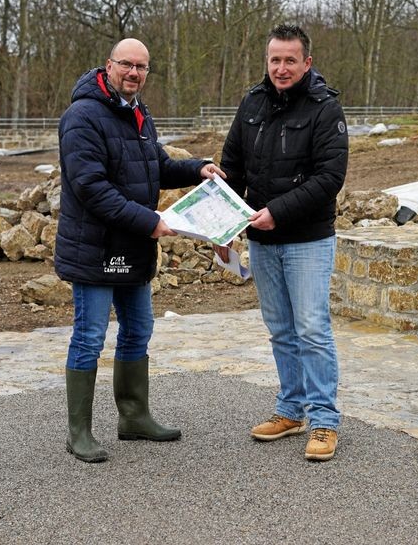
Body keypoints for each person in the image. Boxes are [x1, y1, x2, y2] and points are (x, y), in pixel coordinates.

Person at [55, 38, 225, 463]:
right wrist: (150, 221)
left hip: (133, 247)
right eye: (127, 65)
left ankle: (134, 417)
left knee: (138, 331)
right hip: (95, 250)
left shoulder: (138, 112)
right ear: (108, 65)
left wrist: (197, 168)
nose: (134, 73)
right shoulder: (82, 117)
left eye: (142, 68)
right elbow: (91, 188)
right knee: (90, 337)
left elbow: (156, 166)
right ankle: (80, 432)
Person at [217, 24, 348, 461]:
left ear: (307, 62)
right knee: (281, 331)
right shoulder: (252, 102)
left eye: (290, 59)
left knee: (312, 329)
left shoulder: (325, 109)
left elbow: (329, 178)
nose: (281, 67)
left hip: (307, 239)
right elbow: (231, 169)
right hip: (262, 239)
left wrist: (279, 211)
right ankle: (291, 410)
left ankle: (325, 420)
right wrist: (220, 227)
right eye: (275, 59)